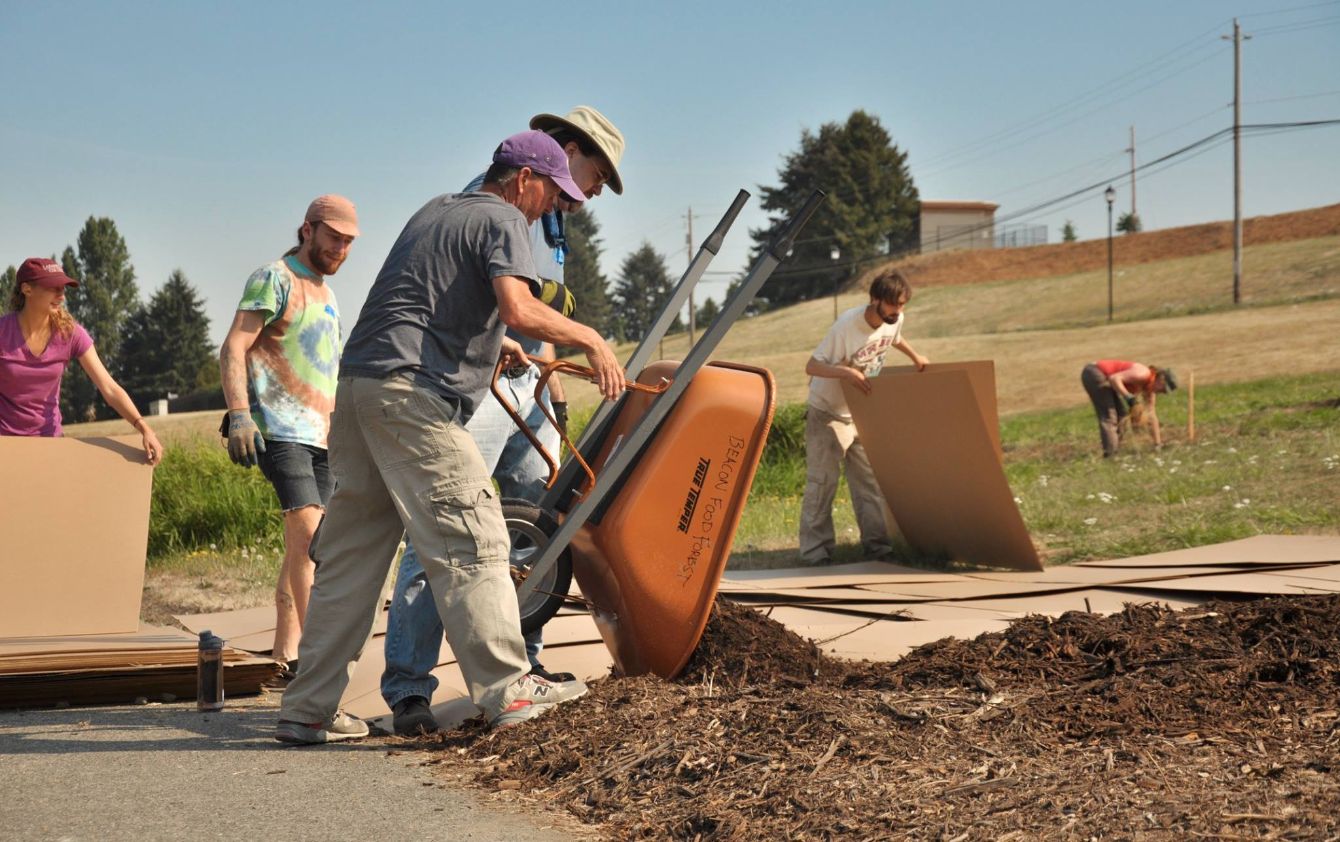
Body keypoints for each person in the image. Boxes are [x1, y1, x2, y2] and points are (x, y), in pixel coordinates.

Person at [275, 130, 625, 745]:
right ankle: (510, 689)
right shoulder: (505, 216)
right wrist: (590, 337)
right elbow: (516, 304)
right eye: (551, 193)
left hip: (359, 389)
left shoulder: (439, 209)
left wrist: (492, 343)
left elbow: (429, 301)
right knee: (475, 530)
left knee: (352, 556)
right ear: (523, 180)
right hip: (412, 397)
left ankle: (308, 707)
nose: (552, 208)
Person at [381, 106, 626, 737]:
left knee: (530, 533)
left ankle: (526, 669)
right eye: (595, 175)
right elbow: (511, 303)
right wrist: (572, 327)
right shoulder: (505, 200)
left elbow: (540, 309)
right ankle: (410, 688)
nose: (592, 193)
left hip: (533, 385)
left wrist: (551, 383)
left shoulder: (552, 220)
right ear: (564, 150)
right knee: (447, 526)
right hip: (482, 383)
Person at [219, 195, 359, 673]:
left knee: (306, 545)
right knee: (309, 539)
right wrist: (239, 413)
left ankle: (286, 653)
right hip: (279, 431)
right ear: (307, 230)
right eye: (333, 238)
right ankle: (321, 664)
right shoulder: (273, 278)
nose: (340, 249)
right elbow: (234, 345)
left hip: (323, 436)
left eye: (348, 242)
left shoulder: (326, 292)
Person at [798, 269, 927, 565]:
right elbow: (812, 365)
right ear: (875, 300)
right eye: (893, 305)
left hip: (860, 412)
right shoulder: (847, 326)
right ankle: (816, 553)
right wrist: (845, 372)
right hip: (827, 411)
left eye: (903, 305)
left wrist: (916, 357)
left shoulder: (895, 319)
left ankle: (878, 549)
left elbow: (894, 337)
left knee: (868, 482)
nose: (898, 311)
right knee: (823, 482)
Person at [1, 257, 163, 463]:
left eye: (63, 288)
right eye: (53, 288)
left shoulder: (71, 334)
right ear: (27, 289)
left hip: (50, 444)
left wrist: (144, 428)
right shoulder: (2, 333)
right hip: (5, 447)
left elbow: (110, 388)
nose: (61, 295)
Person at [1080, 359, 1177, 457]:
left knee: (1122, 417)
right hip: (1095, 372)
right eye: (1163, 389)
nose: (1162, 392)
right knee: (1110, 416)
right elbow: (1114, 379)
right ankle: (1111, 456)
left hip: (1105, 378)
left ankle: (1114, 450)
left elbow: (1152, 414)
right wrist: (1129, 397)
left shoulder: (1150, 388)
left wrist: (1157, 444)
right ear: (1161, 379)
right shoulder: (1143, 374)